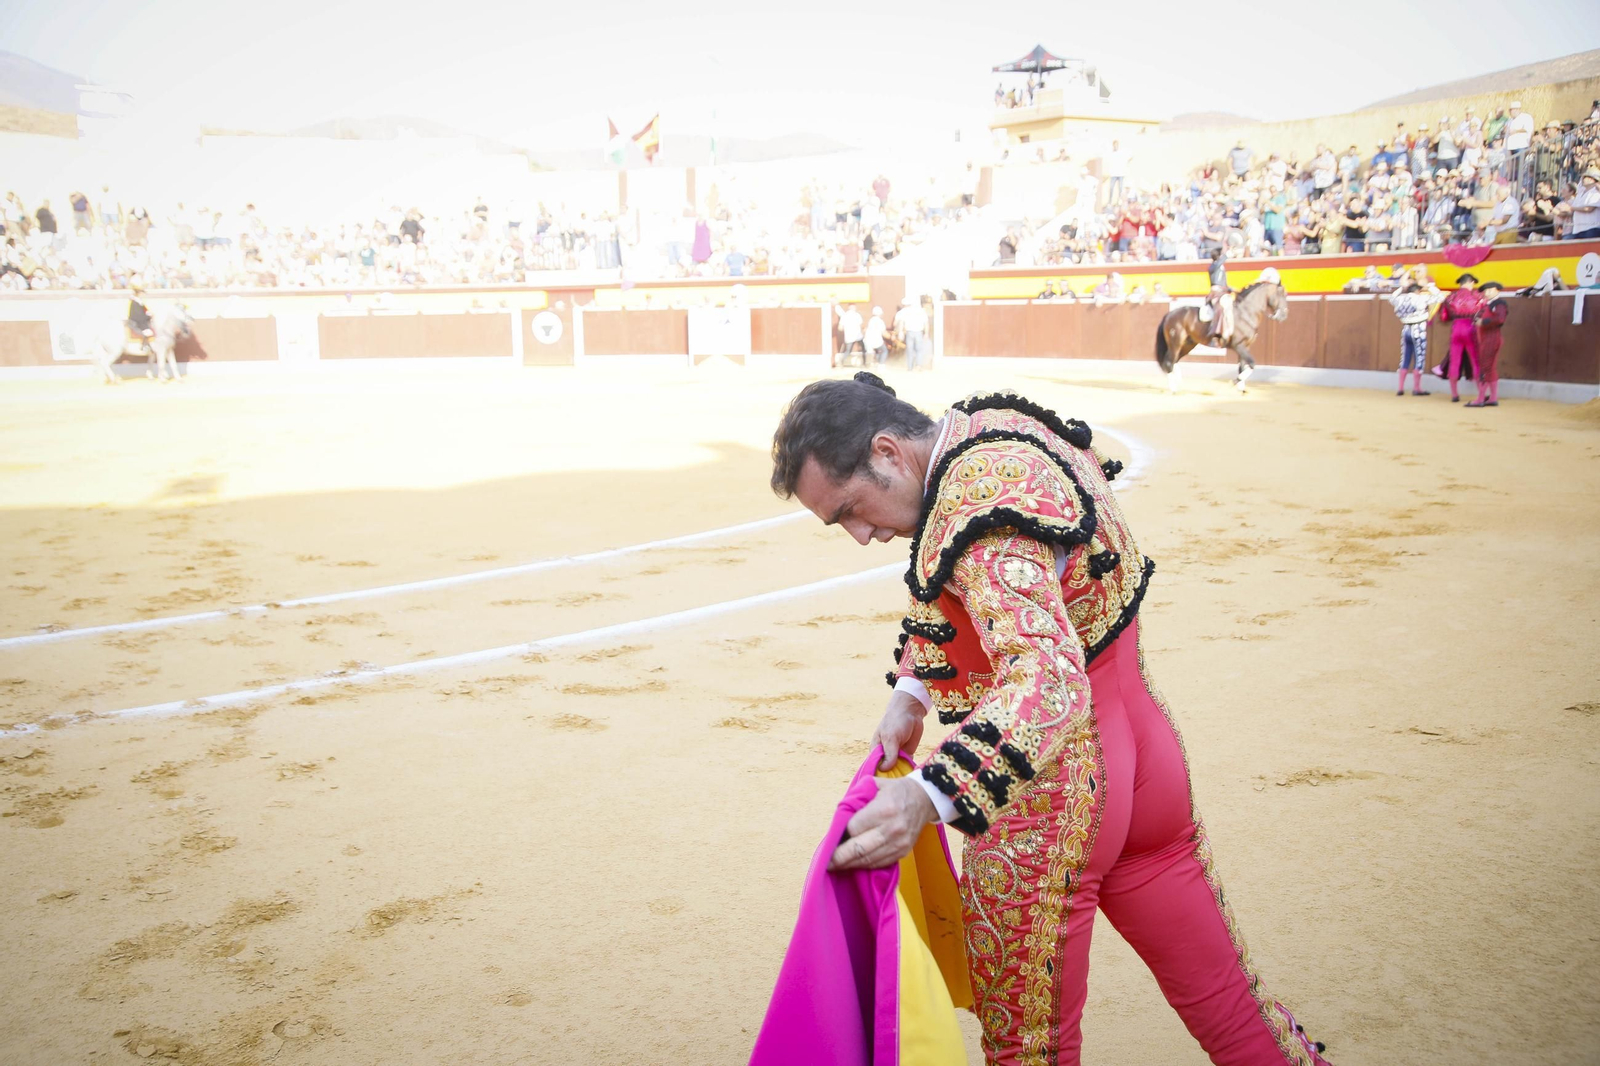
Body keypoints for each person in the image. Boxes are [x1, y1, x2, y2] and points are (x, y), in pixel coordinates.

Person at [768, 376, 1334, 1066]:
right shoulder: (994, 429)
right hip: (1145, 764)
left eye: (851, 509)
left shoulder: (971, 512)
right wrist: (913, 691)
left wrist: (928, 794)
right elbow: (1007, 584)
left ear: (887, 452)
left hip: (1048, 796)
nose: (860, 535)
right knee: (1229, 1001)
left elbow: (1047, 676)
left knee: (1029, 1051)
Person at [1386, 272, 1442, 396]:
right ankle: (1417, 388)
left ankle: (1400, 388)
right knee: (1419, 358)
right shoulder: (1422, 297)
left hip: (1406, 329)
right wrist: (1430, 287)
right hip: (1419, 330)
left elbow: (1391, 297)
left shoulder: (1400, 298)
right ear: (1418, 290)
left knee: (1405, 358)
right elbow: (1440, 297)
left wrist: (1401, 288)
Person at [1433, 273, 1485, 403]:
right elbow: (1484, 313)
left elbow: (1444, 317)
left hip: (1456, 328)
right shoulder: (1478, 297)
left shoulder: (1451, 297)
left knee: (1454, 361)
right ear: (1471, 282)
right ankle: (1481, 394)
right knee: (1475, 361)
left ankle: (1455, 395)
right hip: (1471, 328)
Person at [1468, 281, 1509, 408]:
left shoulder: (1499, 304)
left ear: (1497, 290)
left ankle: (1480, 398)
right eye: (1485, 291)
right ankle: (1492, 397)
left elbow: (1500, 319)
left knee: (1484, 367)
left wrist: (1483, 321)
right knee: (1490, 368)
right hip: (1487, 338)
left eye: (1490, 290)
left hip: (1491, 338)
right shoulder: (1489, 304)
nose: (1487, 293)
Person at [894, 296, 929, 371]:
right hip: (918, 332)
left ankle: (910, 367)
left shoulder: (907, 312)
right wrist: (926, 333)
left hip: (909, 332)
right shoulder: (922, 311)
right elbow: (926, 323)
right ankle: (918, 365)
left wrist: (900, 332)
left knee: (910, 349)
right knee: (918, 349)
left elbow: (901, 322)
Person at [1207, 247, 1233, 342]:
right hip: (1216, 293)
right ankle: (1219, 333)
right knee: (1222, 307)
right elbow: (1218, 264)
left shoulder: (1219, 267)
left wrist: (1230, 288)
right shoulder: (1213, 266)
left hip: (1223, 292)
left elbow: (1223, 282)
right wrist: (1226, 256)